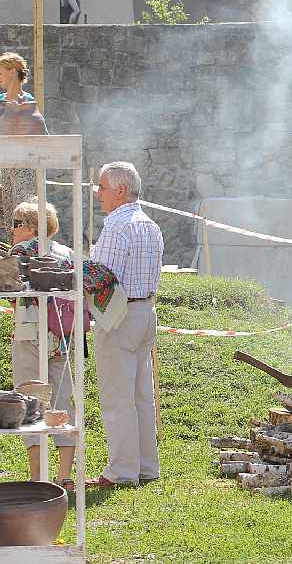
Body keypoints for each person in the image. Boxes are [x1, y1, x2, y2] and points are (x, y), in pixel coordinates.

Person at [86, 162, 164, 488]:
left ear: (120, 190)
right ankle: (146, 467)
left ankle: (121, 472)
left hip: (119, 315)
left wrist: (75, 270)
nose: (98, 193)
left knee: (118, 398)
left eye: (102, 187)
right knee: (141, 396)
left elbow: (99, 276)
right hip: (145, 310)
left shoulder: (117, 226)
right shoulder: (151, 226)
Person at [9, 199, 76, 490]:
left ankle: (38, 477)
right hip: (61, 335)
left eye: (16, 224)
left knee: (29, 400)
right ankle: (65, 476)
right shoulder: (67, 252)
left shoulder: (20, 252)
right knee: (63, 402)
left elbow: (11, 294)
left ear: (31, 226)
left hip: (28, 333)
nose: (11, 231)